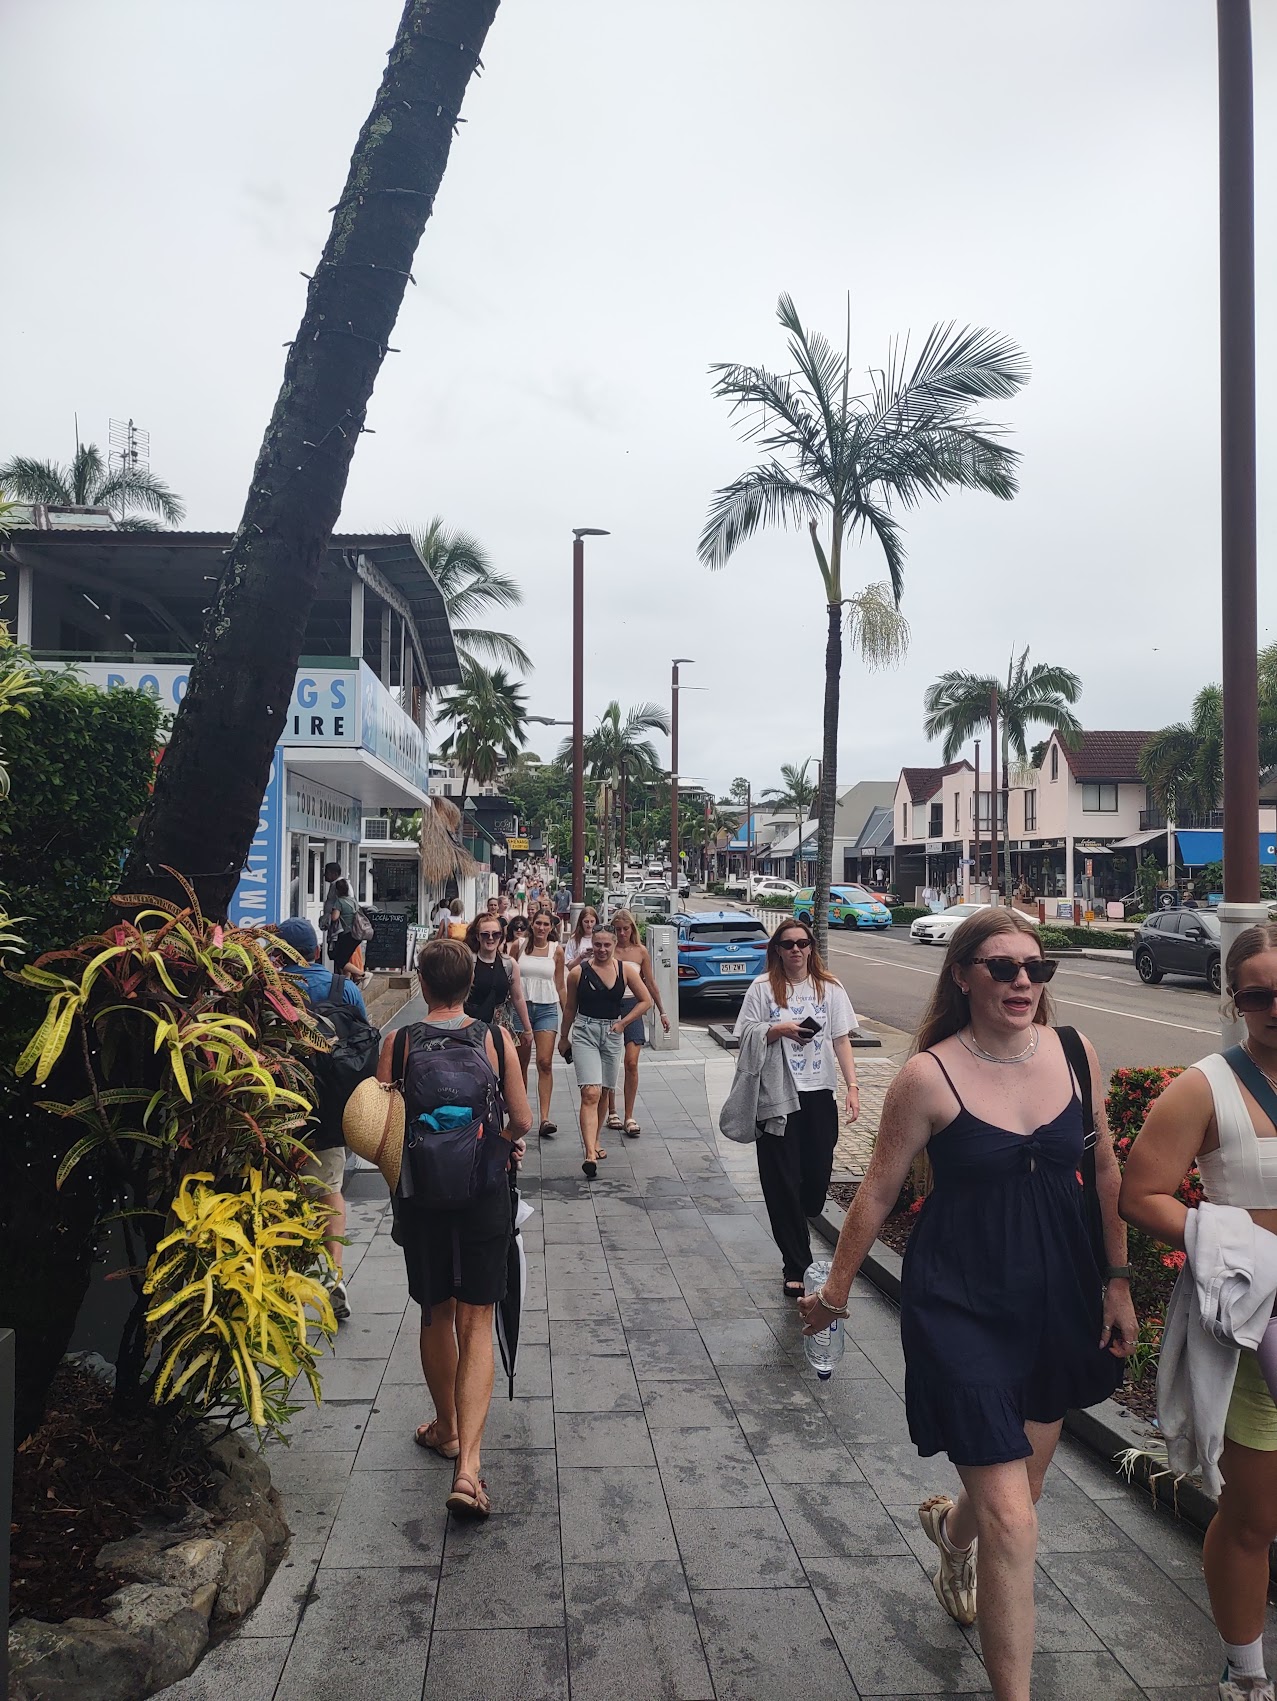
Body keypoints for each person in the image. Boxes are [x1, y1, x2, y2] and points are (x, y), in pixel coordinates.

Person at [798, 909, 1135, 1701]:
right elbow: (876, 1188)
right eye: (1002, 966)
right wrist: (835, 1291)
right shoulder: (928, 1075)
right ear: (961, 974)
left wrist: (1118, 1280)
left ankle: (951, 1535)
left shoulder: (1074, 1052)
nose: (1022, 981)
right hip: (959, 1305)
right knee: (1013, 1520)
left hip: (1055, 1300)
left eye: (1034, 967)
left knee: (1019, 1495)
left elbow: (1105, 1169)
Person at [1120, 921, 1277, 1701]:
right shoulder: (1205, 1086)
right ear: (1233, 999)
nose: (1275, 1007)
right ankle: (1244, 1672)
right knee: (1252, 1515)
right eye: (1258, 994)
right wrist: (1230, 1242)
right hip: (1258, 1327)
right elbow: (1139, 1192)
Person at [375, 939, 532, 1518]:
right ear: (470, 986)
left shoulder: (398, 1043)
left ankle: (445, 1427)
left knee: (435, 1313)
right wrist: (499, 1145)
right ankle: (469, 1469)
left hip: (422, 1198)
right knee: (477, 1321)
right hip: (483, 1193)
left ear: (422, 984)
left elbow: (379, 1128)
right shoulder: (495, 1039)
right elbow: (522, 1119)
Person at [733, 920, 860, 1294]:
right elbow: (745, 1036)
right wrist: (778, 1030)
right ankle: (796, 1264)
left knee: (816, 1179)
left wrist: (852, 1087)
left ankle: (801, 1217)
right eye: (788, 944)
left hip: (819, 1093)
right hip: (777, 1097)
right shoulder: (762, 988)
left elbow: (841, 1039)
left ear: (811, 948)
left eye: (803, 943)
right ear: (777, 949)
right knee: (781, 1182)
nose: (796, 950)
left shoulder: (830, 988)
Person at [271, 916, 369, 1321]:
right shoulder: (343, 988)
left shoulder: (269, 990)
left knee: (278, 1188)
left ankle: (280, 1279)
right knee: (329, 1188)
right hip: (329, 1107)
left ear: (278, 955)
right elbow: (364, 1037)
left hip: (278, 1106)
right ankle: (333, 1274)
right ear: (316, 951)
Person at [559, 923, 651, 1178]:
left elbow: (646, 1001)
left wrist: (623, 1023)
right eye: (597, 944)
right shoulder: (578, 973)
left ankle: (596, 1139)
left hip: (612, 1033)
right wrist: (564, 1037)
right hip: (585, 1031)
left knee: (604, 1092)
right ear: (592, 944)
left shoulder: (625, 970)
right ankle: (589, 1153)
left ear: (614, 945)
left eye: (606, 945)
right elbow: (570, 1007)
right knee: (590, 1092)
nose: (601, 949)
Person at [601, 909, 670, 1138]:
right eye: (618, 929)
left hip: (634, 1005)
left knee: (631, 1061)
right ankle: (612, 1110)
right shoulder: (609, 950)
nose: (622, 934)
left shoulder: (640, 952)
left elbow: (650, 983)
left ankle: (629, 1115)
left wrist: (662, 1011)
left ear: (632, 929)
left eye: (625, 929)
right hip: (611, 1005)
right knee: (610, 1060)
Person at [510, 909, 566, 1138]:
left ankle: (544, 1117)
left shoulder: (556, 950)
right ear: (531, 924)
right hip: (520, 1009)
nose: (542, 928)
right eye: (538, 923)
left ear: (551, 927)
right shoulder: (518, 946)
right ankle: (521, 1115)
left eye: (546, 924)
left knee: (545, 1062)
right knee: (520, 1063)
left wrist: (568, 1017)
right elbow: (509, 976)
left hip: (547, 1008)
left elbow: (560, 984)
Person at [463, 914, 532, 1055]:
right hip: (472, 1027)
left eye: (496, 934)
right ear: (477, 936)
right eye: (485, 934)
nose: (490, 938)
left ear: (501, 936)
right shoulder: (468, 963)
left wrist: (528, 1029)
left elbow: (517, 997)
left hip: (500, 1028)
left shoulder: (509, 964)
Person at [329, 878, 363, 981]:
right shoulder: (353, 900)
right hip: (356, 933)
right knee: (346, 958)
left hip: (346, 934)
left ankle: (362, 974)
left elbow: (334, 917)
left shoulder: (339, 902)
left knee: (340, 960)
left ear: (337, 890)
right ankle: (347, 980)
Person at [320, 860, 344, 962]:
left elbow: (339, 905)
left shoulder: (339, 885)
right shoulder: (334, 884)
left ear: (334, 874)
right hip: (334, 926)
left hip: (339, 927)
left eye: (327, 873)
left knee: (337, 954)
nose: (324, 875)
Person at [563, 905, 597, 969]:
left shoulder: (601, 938)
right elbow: (569, 966)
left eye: (592, 921)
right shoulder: (574, 939)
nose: (589, 925)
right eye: (586, 922)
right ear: (581, 922)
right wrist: (581, 956)